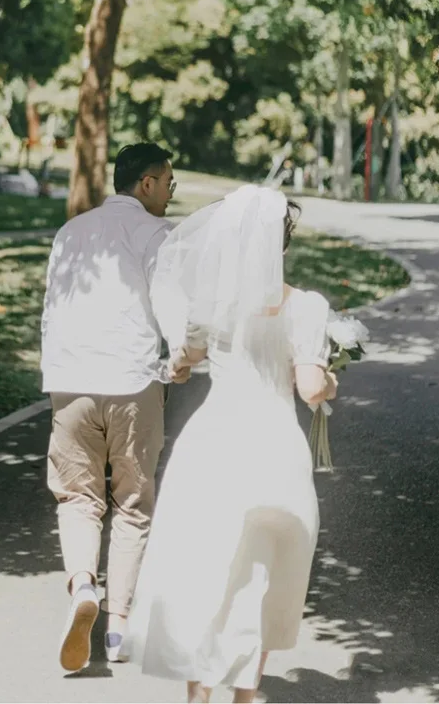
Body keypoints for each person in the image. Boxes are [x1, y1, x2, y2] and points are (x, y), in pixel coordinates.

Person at [123, 186, 339, 704]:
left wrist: (177, 364)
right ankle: (244, 698)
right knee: (262, 574)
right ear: (281, 244)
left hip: (213, 445)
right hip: (273, 450)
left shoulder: (211, 307)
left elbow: (182, 364)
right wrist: (329, 381)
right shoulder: (306, 308)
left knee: (206, 569)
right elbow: (311, 389)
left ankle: (198, 696)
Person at [40, 142, 181, 673]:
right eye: (169, 182)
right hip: (131, 382)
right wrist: (178, 362)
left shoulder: (70, 232)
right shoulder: (158, 234)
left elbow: (51, 310)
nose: (171, 193)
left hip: (70, 381)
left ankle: (82, 586)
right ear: (145, 183)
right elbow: (173, 311)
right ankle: (118, 626)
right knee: (132, 502)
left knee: (76, 498)